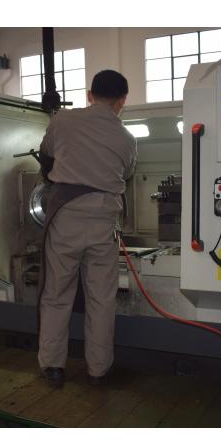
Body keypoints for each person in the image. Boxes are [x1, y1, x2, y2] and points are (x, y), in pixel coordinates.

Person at [37, 70, 136, 388]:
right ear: (122, 100)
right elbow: (127, 172)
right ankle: (98, 370)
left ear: (90, 94)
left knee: (56, 294)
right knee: (101, 299)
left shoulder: (63, 120)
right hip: (104, 224)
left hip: (66, 219)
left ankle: (53, 366)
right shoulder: (127, 139)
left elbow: (46, 155)